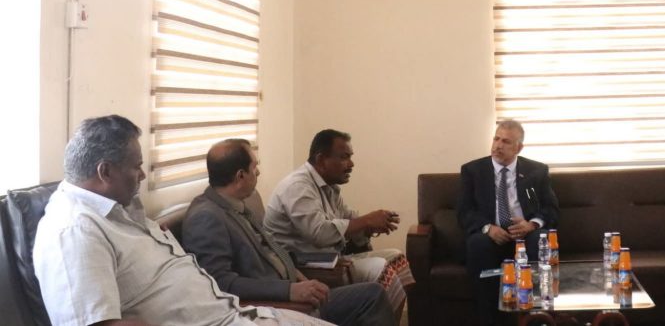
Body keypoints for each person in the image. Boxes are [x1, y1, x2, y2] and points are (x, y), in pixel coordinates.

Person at [33, 114, 337, 326]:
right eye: (136, 166)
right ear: (105, 172)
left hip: (237, 314)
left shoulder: (119, 209)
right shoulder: (73, 231)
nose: (143, 175)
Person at [182, 139, 395, 326]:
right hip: (277, 306)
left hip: (295, 286)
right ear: (240, 176)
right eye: (255, 167)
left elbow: (270, 248)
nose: (259, 172)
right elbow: (219, 283)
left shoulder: (237, 203)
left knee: (370, 292)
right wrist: (289, 290)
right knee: (371, 296)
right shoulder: (206, 218)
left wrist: (296, 275)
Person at [264, 130, 413, 318]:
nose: (351, 164)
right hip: (302, 267)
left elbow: (348, 218)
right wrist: (367, 220)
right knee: (380, 267)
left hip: (329, 259)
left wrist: (369, 227)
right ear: (321, 160)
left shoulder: (329, 186)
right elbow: (319, 233)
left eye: (350, 157)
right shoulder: (297, 187)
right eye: (344, 157)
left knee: (397, 257)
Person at [457, 119, 559, 326]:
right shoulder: (473, 171)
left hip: (526, 236)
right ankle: (488, 320)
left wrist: (531, 224)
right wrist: (488, 228)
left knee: (540, 239)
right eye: (496, 139)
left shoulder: (536, 171)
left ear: (518, 148)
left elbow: (551, 208)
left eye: (505, 142)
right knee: (477, 243)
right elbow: (464, 211)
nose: (498, 145)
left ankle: (536, 317)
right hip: (490, 236)